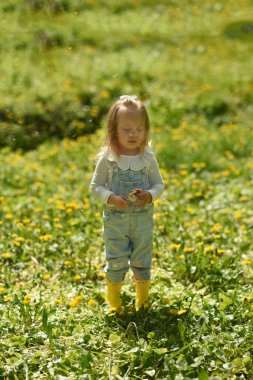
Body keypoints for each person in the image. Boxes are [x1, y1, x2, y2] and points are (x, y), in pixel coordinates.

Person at [90, 95, 164, 311]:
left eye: (139, 129)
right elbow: (95, 186)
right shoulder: (109, 157)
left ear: (146, 130)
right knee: (116, 260)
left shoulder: (147, 157)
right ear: (114, 130)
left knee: (142, 259)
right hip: (116, 221)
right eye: (127, 129)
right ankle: (115, 303)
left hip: (142, 221)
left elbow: (159, 184)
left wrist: (149, 195)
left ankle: (143, 301)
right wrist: (111, 198)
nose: (133, 134)